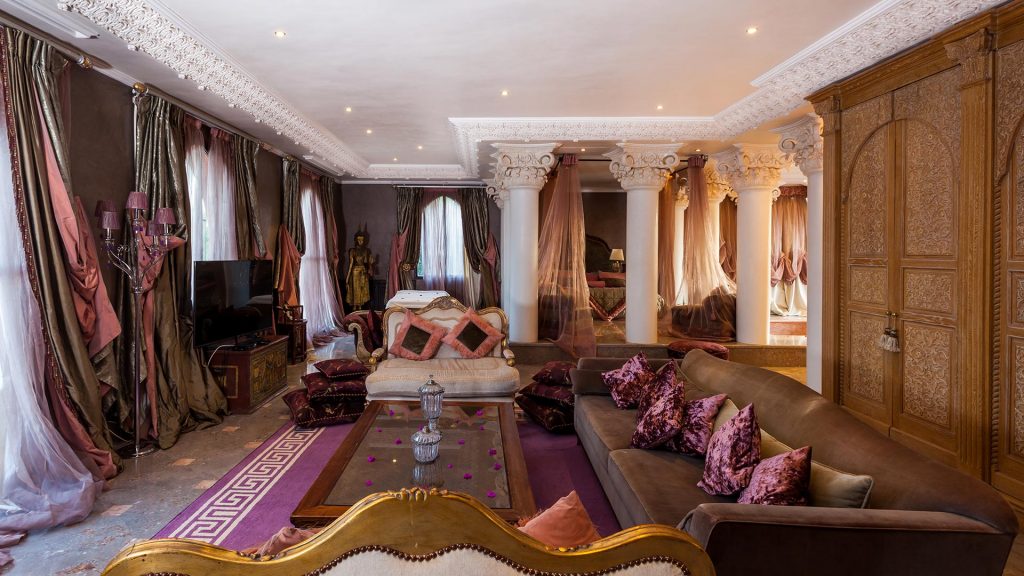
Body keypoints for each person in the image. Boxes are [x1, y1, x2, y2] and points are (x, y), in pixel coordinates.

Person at [345, 230, 376, 310]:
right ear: (355, 240)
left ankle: (360, 306)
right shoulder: (352, 251)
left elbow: (366, 263)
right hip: (354, 272)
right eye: (359, 240)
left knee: (362, 289)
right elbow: (351, 264)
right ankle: (355, 306)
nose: (360, 242)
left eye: (362, 240)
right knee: (355, 289)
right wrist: (347, 278)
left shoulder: (365, 250)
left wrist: (371, 263)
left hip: (363, 272)